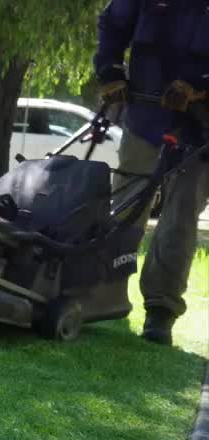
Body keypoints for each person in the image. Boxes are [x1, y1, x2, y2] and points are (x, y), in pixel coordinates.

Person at [96, 0, 209, 346]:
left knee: (179, 217)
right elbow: (113, 26)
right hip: (145, 115)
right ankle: (102, 290)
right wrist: (111, 71)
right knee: (124, 205)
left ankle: (161, 309)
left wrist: (197, 85)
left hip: (201, 127)